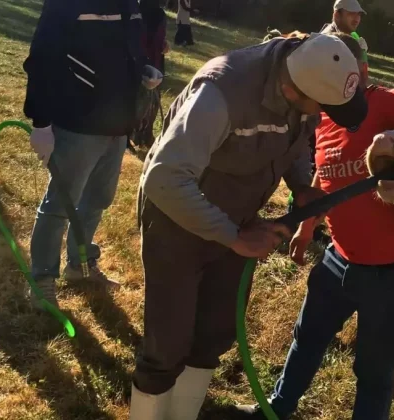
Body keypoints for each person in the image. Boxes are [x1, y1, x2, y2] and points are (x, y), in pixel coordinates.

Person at [130, 33, 371, 419]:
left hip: (237, 220)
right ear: (293, 91)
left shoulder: (304, 85)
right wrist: (233, 237)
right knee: (168, 342)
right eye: (322, 108)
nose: (322, 117)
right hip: (177, 217)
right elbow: (165, 179)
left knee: (215, 331)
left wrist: (301, 186)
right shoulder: (221, 93)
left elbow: (291, 141)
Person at [235, 33, 394, 420]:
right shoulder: (324, 116)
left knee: (373, 371)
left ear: (364, 71)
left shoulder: (386, 102)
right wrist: (307, 231)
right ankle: (276, 408)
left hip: (392, 272)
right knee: (306, 339)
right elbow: (328, 182)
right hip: (338, 258)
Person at [23, 0, 150, 309]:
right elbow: (41, 58)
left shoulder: (130, 5)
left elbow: (130, 48)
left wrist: (144, 70)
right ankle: (42, 280)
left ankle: (79, 264)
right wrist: (40, 122)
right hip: (77, 121)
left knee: (98, 199)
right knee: (60, 204)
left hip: (117, 124)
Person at [130, 0, 170, 149]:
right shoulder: (135, 12)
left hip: (155, 61)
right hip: (141, 61)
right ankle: (132, 134)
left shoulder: (160, 14)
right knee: (137, 100)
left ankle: (146, 134)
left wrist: (164, 45)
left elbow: (159, 38)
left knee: (152, 100)